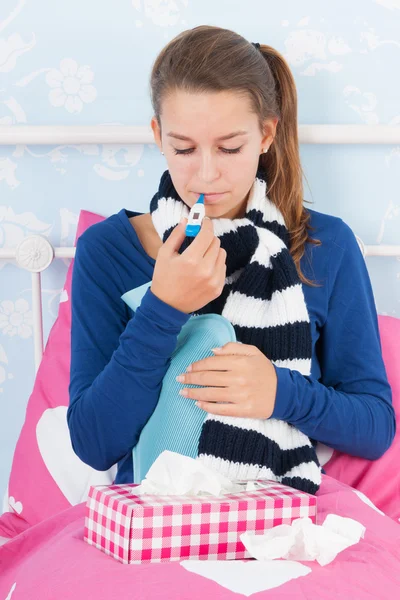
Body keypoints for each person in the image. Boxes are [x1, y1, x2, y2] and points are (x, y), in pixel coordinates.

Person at [67, 25, 395, 490]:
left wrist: (279, 393)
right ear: (158, 135)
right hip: (151, 523)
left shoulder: (327, 246)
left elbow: (374, 427)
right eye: (183, 148)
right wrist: (162, 308)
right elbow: (94, 442)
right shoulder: (108, 250)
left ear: (265, 134)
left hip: (284, 514)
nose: (205, 173)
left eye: (229, 147)